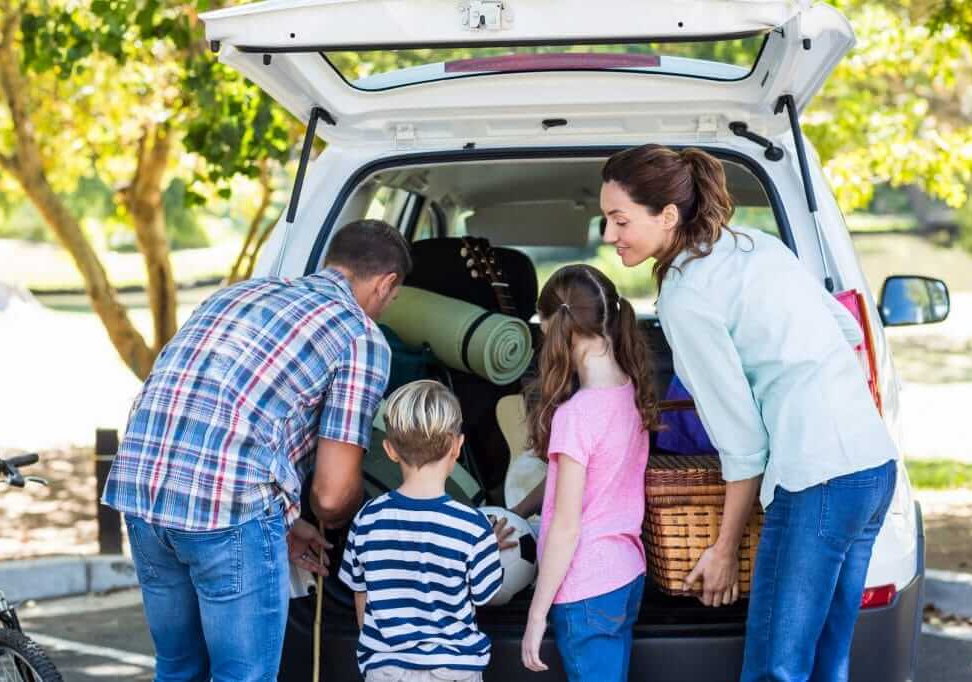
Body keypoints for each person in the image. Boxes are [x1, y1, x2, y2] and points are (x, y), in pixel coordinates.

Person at [600, 144, 899, 681]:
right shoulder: (755, 246)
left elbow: (741, 443)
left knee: (775, 670)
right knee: (828, 664)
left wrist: (722, 548)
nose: (607, 235)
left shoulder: (686, 293)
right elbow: (848, 331)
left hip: (817, 480)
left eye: (619, 220)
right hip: (873, 467)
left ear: (667, 216)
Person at [102, 219, 412, 681]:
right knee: (241, 675)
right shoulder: (359, 335)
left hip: (139, 490)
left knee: (178, 665)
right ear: (387, 284)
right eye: (393, 297)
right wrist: (363, 514)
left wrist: (288, 523)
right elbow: (330, 494)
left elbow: (221, 416)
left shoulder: (239, 293)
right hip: (226, 513)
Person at [520, 264, 659, 682]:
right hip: (626, 571)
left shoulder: (576, 415)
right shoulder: (629, 391)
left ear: (556, 325)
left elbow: (565, 527)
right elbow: (580, 481)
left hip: (585, 587)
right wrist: (519, 507)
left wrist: (536, 614)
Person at [339, 380, 504, 681]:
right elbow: (485, 594)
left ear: (389, 449)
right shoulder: (472, 526)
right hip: (455, 669)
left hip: (387, 668)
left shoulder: (368, 518)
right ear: (457, 446)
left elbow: (359, 593)